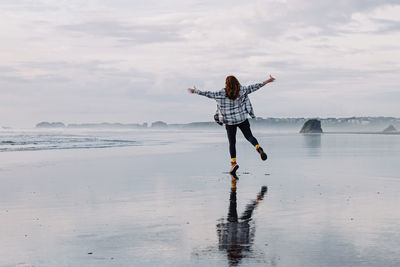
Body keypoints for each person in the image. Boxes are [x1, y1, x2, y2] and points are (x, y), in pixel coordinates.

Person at [188, 75, 275, 174]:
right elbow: (255, 87)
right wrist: (267, 81)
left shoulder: (221, 93)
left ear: (226, 84)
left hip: (229, 122)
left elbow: (208, 94)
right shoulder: (242, 90)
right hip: (242, 119)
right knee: (249, 136)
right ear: (237, 82)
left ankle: (234, 163)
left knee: (232, 143)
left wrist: (195, 91)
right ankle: (258, 148)